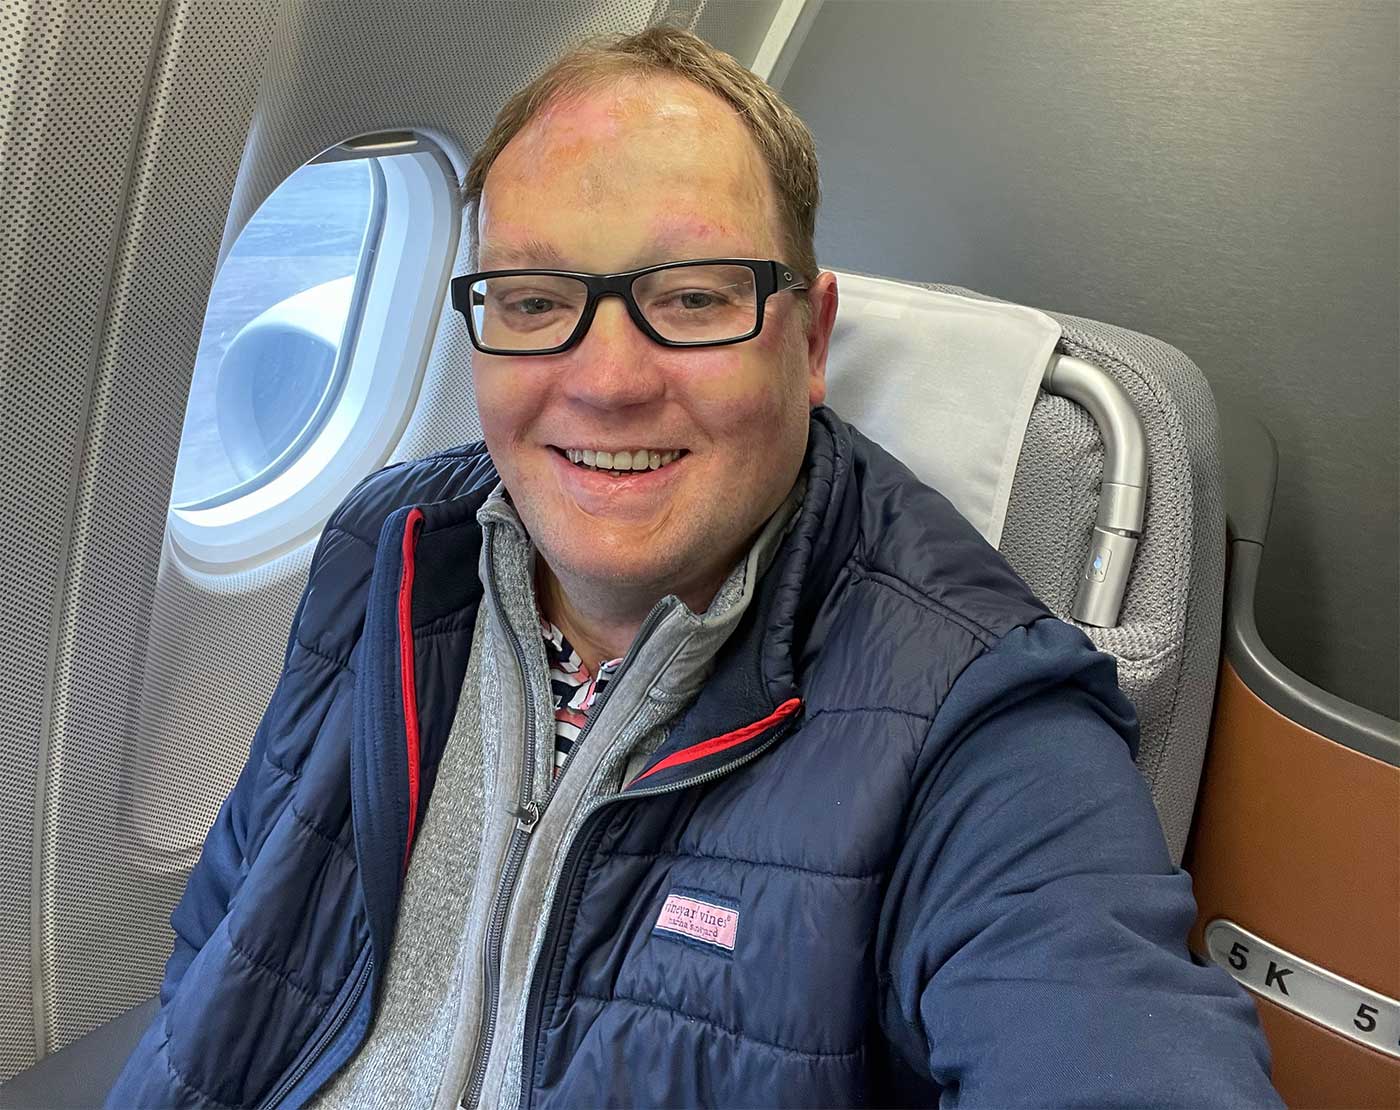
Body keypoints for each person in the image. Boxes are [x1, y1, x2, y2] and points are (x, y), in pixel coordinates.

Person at [108, 25, 1280, 1110]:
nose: (606, 379)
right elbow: (230, 934)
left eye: (690, 298)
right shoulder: (390, 551)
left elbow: (1102, 1034)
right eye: (531, 300)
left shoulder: (974, 710)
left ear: (808, 340)